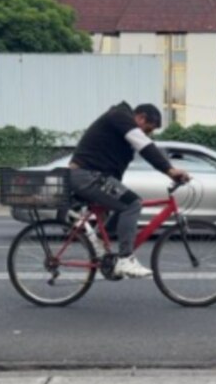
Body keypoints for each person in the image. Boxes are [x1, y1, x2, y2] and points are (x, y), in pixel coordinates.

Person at [69, 102, 190, 279]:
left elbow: (122, 162)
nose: (147, 134)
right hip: (87, 175)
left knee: (124, 203)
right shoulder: (120, 116)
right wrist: (170, 171)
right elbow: (146, 146)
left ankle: (101, 243)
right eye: (148, 129)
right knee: (133, 204)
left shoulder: (121, 127)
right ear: (140, 118)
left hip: (93, 176)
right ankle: (126, 259)